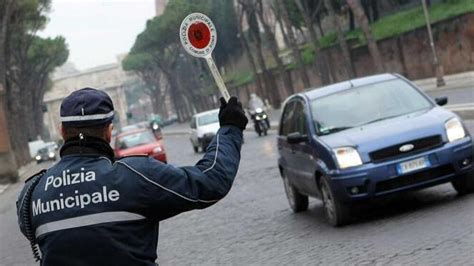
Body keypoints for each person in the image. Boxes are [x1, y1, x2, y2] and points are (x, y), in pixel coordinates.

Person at [16, 88, 248, 265]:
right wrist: (230, 129)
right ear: (109, 131)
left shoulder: (31, 193)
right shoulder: (137, 175)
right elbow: (211, 181)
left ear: (62, 132)